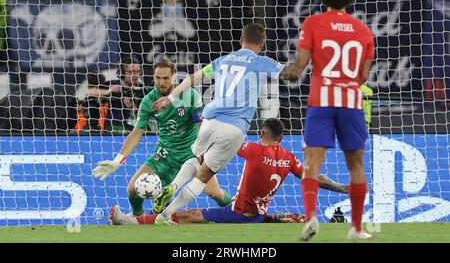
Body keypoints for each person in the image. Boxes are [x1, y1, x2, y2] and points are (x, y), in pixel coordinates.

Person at [150, 23, 304, 225]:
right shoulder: (261, 61)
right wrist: (305, 54)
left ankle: (173, 185)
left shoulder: (223, 60)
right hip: (234, 127)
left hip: (210, 119)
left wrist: (169, 98)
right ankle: (166, 214)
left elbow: (192, 79)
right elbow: (291, 74)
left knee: (197, 160)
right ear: (262, 44)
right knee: (204, 175)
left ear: (241, 41)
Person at [109, 118, 348, 225]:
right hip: (256, 212)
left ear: (262, 134)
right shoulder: (289, 158)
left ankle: (128, 221)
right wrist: (340, 187)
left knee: (186, 216)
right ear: (282, 138)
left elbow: (228, 145)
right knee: (273, 217)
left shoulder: (252, 149)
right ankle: (329, 222)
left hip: (240, 213)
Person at [293, 0, 375, 241]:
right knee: (356, 166)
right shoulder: (363, 31)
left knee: (312, 163)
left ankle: (311, 217)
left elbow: (300, 66)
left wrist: (284, 72)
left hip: (321, 101)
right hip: (351, 102)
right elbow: (362, 76)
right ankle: (357, 228)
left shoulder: (314, 23)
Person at [92, 58, 231, 216]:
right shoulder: (149, 101)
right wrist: (117, 161)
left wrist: (205, 154)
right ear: (153, 77)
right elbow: (136, 133)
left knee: (215, 193)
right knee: (132, 189)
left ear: (173, 77)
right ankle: (137, 216)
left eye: (165, 78)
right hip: (165, 153)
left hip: (192, 153)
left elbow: (201, 127)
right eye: (158, 78)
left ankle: (237, 209)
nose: (161, 82)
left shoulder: (190, 95)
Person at [85, 55, 145, 133]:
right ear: (121, 72)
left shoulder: (142, 89)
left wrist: (133, 106)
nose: (135, 75)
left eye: (137, 72)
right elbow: (89, 92)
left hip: (134, 131)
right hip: (111, 131)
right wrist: (108, 91)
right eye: (131, 72)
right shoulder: (112, 84)